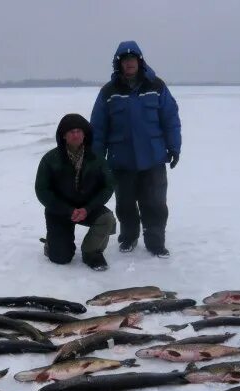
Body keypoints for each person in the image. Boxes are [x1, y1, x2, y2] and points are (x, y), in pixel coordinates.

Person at [90, 40, 181, 258]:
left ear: (139, 61)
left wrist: (174, 147)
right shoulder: (109, 92)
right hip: (122, 161)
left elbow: (170, 119)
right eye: (125, 60)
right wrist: (96, 158)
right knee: (125, 204)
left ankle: (155, 241)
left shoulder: (156, 87)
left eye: (133, 59)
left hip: (153, 158)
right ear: (118, 64)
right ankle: (128, 237)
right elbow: (98, 127)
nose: (129, 63)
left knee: (155, 203)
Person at [35, 113, 116, 271]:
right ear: (63, 135)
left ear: (85, 134)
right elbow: (42, 190)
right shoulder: (50, 159)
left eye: (79, 131)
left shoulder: (97, 158)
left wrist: (88, 208)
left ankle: (91, 252)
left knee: (107, 219)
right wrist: (67, 210)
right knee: (61, 258)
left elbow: (108, 186)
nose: (75, 134)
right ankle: (52, 244)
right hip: (59, 210)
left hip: (88, 207)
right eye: (71, 131)